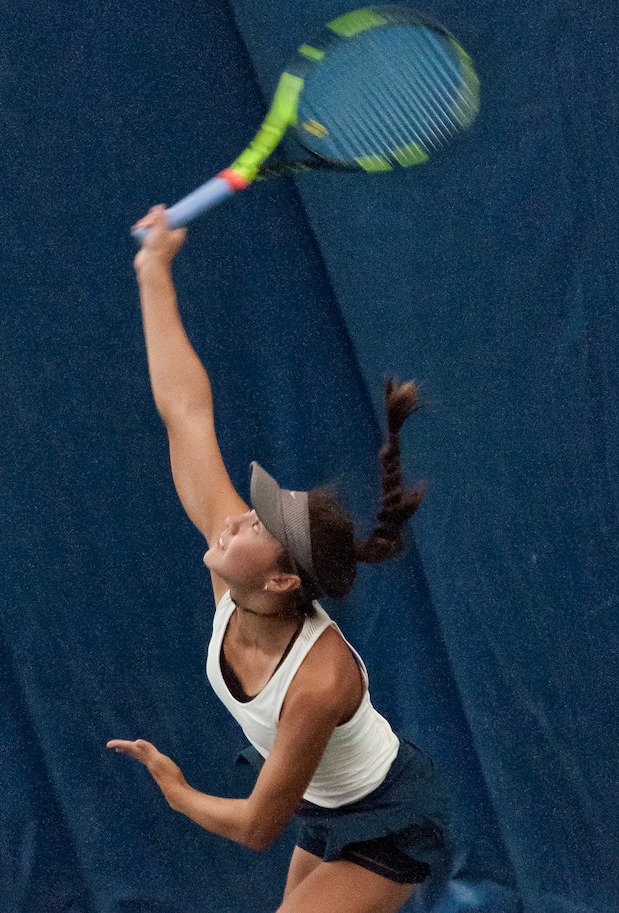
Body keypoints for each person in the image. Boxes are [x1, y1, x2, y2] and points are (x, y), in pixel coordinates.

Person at [107, 206, 451, 913]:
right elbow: (186, 411)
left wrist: (177, 793)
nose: (234, 519)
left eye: (257, 523)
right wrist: (154, 274)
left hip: (392, 819)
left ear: (282, 577)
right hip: (326, 806)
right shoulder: (235, 570)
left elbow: (260, 826)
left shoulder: (320, 681)